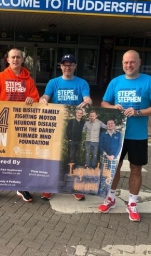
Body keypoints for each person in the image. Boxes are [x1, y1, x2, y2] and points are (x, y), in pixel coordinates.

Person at [98, 50, 151, 222]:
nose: (129, 65)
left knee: (136, 169)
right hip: (117, 135)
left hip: (138, 135)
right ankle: (110, 198)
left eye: (132, 62)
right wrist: (113, 107)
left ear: (139, 62)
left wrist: (138, 111)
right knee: (114, 168)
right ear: (122, 64)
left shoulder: (149, 82)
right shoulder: (116, 82)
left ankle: (132, 203)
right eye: (126, 62)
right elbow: (104, 103)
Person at [0, 48, 39, 204]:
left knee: (20, 157)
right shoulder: (0, 77)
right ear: (8, 60)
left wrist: (31, 100)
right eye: (12, 57)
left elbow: (35, 98)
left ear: (22, 60)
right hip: (2, 123)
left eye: (18, 57)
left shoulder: (29, 80)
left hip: (21, 124)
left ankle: (21, 186)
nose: (15, 60)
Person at [39, 53, 92, 201]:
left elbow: (87, 98)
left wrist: (87, 101)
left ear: (75, 66)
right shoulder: (53, 82)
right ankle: (48, 187)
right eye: (65, 65)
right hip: (56, 126)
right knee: (52, 157)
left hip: (74, 128)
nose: (67, 67)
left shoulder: (82, 83)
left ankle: (75, 187)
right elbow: (45, 97)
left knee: (73, 158)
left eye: (70, 65)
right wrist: (42, 100)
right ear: (61, 66)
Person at [98, 119, 122, 196]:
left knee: (111, 174)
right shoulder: (103, 134)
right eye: (108, 124)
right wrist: (106, 155)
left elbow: (119, 146)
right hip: (105, 157)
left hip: (113, 158)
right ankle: (101, 188)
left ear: (114, 125)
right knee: (103, 173)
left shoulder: (118, 134)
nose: (110, 125)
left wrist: (114, 156)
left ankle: (108, 189)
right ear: (106, 125)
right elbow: (100, 145)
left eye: (112, 123)